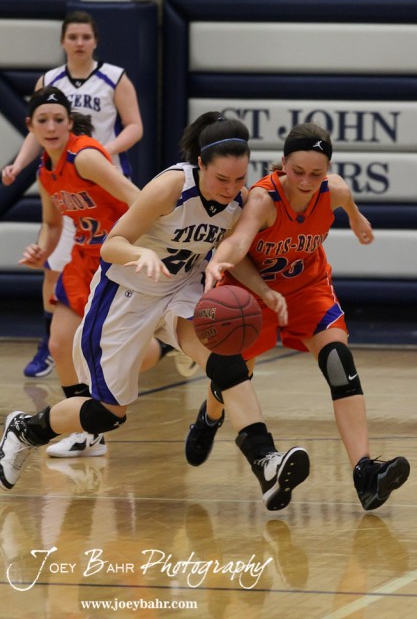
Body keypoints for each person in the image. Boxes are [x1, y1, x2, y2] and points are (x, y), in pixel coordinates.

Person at [0, 111, 310, 512]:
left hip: (181, 290)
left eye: (239, 179)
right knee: (106, 414)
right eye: (222, 179)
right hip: (126, 295)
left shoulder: (238, 201)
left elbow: (234, 254)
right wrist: (140, 253)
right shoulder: (170, 187)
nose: (231, 188)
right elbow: (112, 244)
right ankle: (26, 429)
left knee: (227, 363)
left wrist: (264, 290)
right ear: (201, 164)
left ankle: (265, 461)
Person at [186, 122, 410, 512]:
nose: (306, 181)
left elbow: (347, 201)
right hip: (254, 294)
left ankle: (365, 473)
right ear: (283, 164)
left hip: (308, 288)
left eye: (316, 174)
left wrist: (357, 219)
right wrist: (219, 262)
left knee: (339, 363)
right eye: (298, 171)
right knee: (236, 375)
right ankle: (210, 416)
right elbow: (238, 241)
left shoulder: (334, 190)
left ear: (328, 171)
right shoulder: (263, 199)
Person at [2, 10, 143, 381]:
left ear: (95, 41)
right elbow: (36, 130)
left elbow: (135, 126)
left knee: (121, 277)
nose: (79, 43)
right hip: (70, 191)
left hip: (105, 186)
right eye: (73, 37)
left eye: (85, 36)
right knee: (53, 268)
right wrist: (18, 164)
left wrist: (101, 152)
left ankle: (152, 340)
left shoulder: (114, 77)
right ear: (62, 41)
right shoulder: (49, 81)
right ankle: (52, 345)